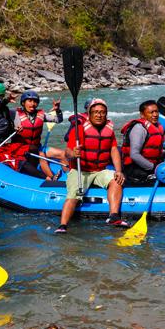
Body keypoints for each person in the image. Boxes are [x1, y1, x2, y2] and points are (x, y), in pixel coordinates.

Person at [55, 98, 128, 234]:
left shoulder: (109, 130)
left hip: (100, 170)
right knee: (73, 195)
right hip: (80, 170)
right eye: (95, 112)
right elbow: (67, 152)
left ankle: (113, 217)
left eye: (102, 112)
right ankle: (63, 225)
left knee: (116, 180)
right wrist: (74, 153)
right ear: (89, 114)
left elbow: (113, 150)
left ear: (106, 114)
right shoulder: (79, 130)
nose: (99, 115)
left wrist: (118, 170)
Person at [11, 90, 64, 180]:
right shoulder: (14, 114)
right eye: (30, 101)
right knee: (42, 155)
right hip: (21, 149)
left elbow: (58, 120)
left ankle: (69, 175)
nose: (33, 104)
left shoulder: (41, 115)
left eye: (35, 101)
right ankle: (51, 178)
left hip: (37, 147)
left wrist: (58, 110)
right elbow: (1, 113)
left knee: (63, 154)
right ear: (23, 103)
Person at [121, 100, 165, 184]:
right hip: (134, 168)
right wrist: (154, 167)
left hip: (151, 165)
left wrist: (164, 153)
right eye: (151, 112)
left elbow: (153, 149)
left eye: (156, 111)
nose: (155, 115)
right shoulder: (139, 128)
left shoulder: (158, 127)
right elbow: (134, 155)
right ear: (142, 115)